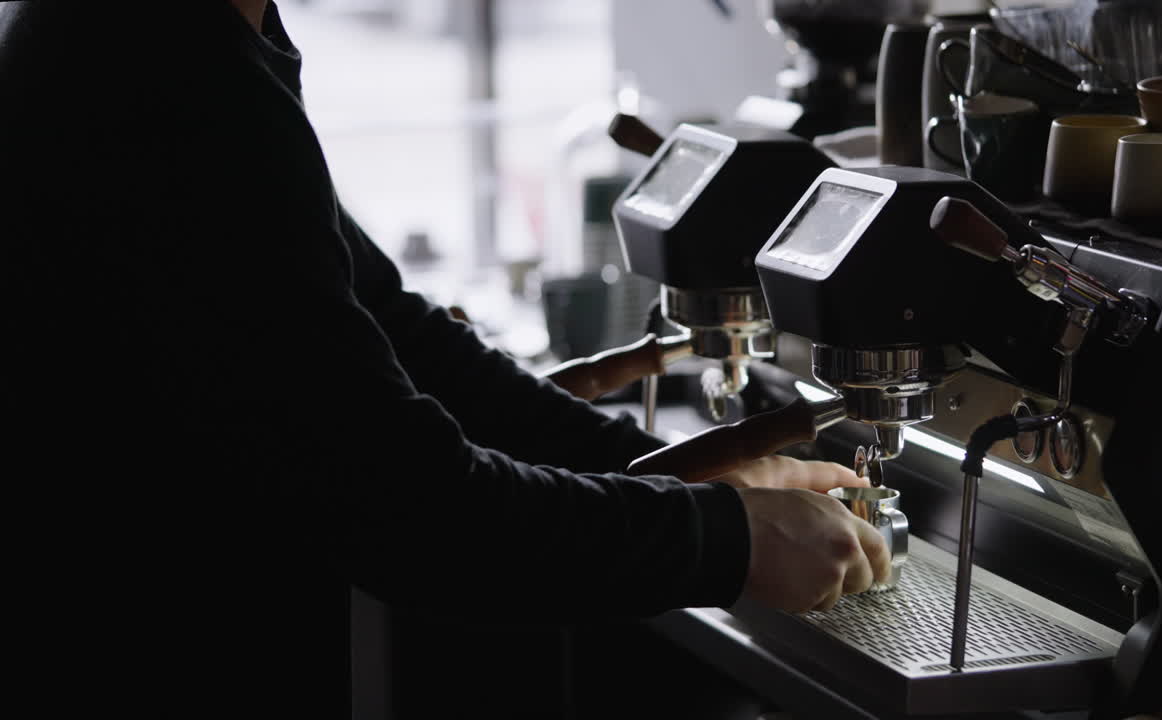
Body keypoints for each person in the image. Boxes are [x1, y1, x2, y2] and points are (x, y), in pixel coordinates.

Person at [0, 1, 889, 716]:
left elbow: (392, 328)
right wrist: (725, 541)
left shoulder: (200, 37)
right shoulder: (159, 77)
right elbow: (410, 507)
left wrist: (671, 472)